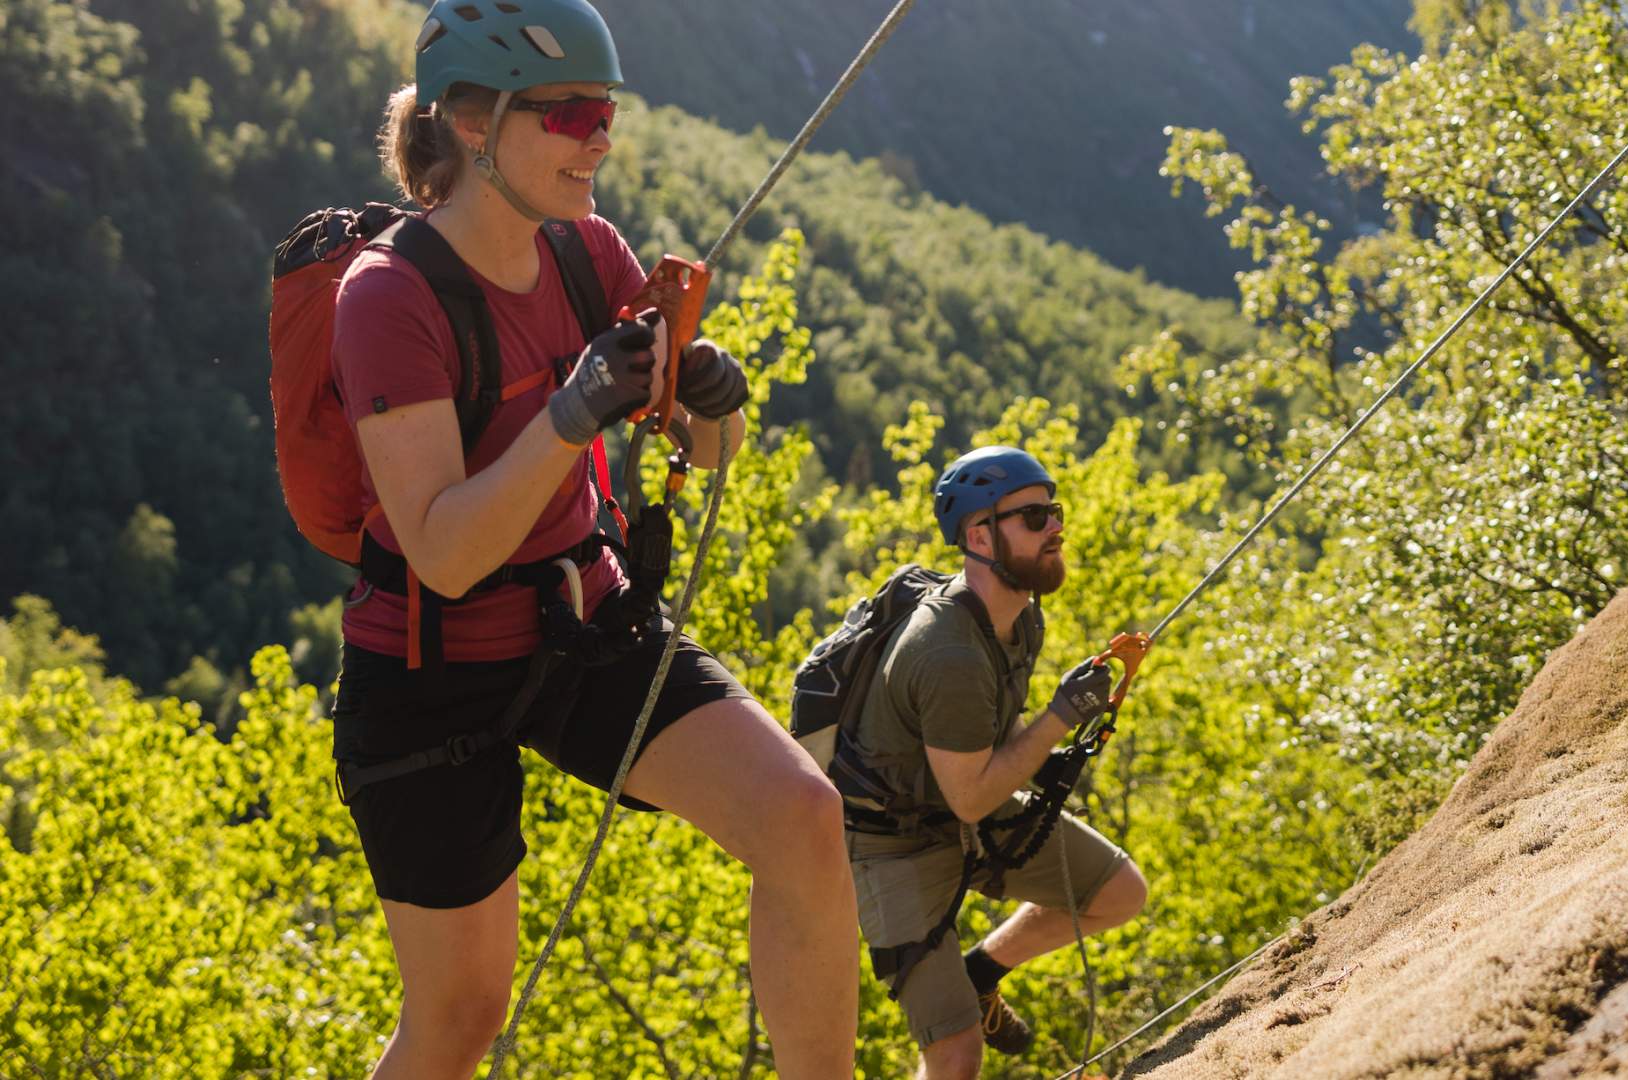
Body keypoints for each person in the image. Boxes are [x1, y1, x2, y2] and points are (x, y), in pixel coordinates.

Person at [325, 2, 855, 1076]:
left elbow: (710, 451)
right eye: (569, 114)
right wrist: (567, 416)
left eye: (605, 112)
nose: (601, 138)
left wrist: (708, 393)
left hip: (583, 625)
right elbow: (444, 552)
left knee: (802, 818)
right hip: (429, 672)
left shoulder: (586, 251)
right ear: (474, 125)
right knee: (459, 1018)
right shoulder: (387, 295)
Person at [841, 446, 1150, 1079]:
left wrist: (1045, 759)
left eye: (1054, 511)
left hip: (957, 803)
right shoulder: (947, 653)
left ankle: (980, 974)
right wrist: (1062, 714)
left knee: (1118, 892)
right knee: (955, 1057)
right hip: (891, 849)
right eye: (1034, 517)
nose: (1056, 526)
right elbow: (973, 799)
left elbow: (991, 740)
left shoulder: (1019, 619)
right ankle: (965, 997)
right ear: (979, 535)